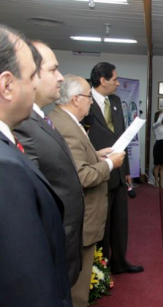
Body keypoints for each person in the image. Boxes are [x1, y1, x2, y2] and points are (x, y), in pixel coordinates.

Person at [0, 25, 71, 306]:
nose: (35, 84)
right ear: (7, 86)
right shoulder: (6, 168)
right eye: (32, 76)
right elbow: (25, 284)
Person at [13, 41, 84, 289]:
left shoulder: (40, 118)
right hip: (51, 242)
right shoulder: (23, 124)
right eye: (53, 70)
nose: (61, 78)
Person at [50, 75, 126, 307]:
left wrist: (98, 155)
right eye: (87, 97)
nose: (91, 102)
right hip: (81, 216)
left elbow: (79, 160)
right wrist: (110, 164)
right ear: (75, 99)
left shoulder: (65, 120)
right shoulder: (67, 126)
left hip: (79, 215)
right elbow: (81, 176)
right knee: (77, 289)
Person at [87, 62, 143, 275]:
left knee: (120, 221)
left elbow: (122, 139)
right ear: (102, 80)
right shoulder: (86, 101)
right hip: (98, 172)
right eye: (115, 79)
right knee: (102, 223)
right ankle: (101, 266)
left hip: (119, 172)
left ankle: (120, 262)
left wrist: (127, 170)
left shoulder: (117, 101)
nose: (118, 83)